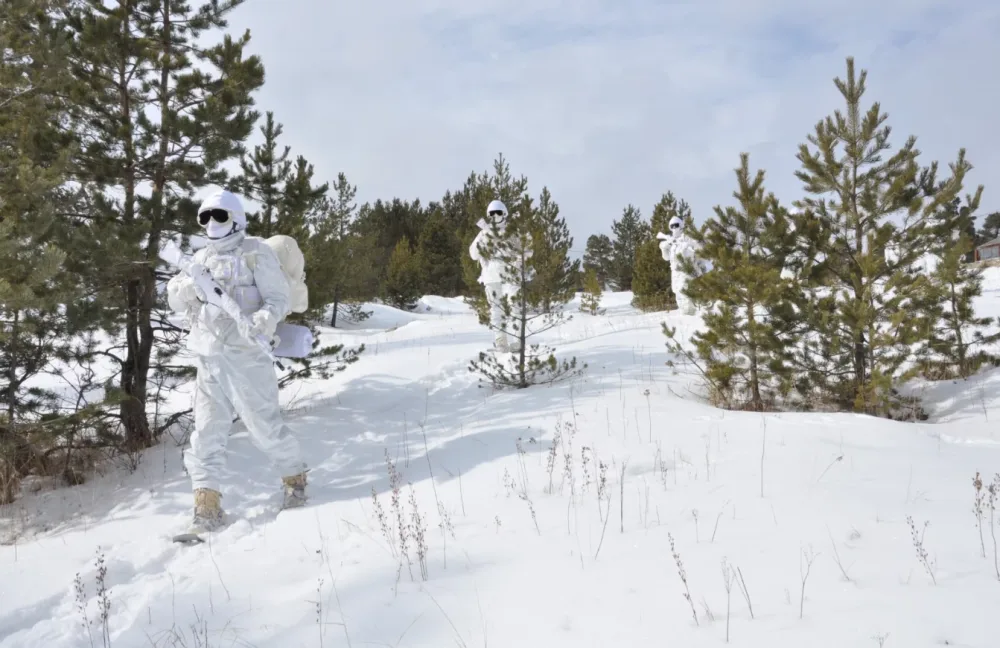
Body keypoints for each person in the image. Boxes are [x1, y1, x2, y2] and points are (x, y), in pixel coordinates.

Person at [166, 189, 308, 534]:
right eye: (206, 217)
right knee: (207, 431)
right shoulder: (199, 260)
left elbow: (278, 298)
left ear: (237, 218)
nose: (212, 223)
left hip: (247, 357)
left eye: (220, 216)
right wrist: (186, 291)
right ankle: (206, 502)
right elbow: (174, 300)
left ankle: (295, 481)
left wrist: (262, 321)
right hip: (209, 356)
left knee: (264, 426)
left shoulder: (256, 254)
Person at [469, 199, 527, 352]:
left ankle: (518, 342)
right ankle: (500, 342)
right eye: (492, 213)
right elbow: (473, 254)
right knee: (496, 310)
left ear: (504, 213)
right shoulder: (484, 232)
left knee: (515, 307)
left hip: (510, 275)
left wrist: (519, 261)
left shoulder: (512, 231)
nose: (495, 216)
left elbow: (527, 249)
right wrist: (484, 237)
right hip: (491, 275)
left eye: (498, 212)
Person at [659, 215, 699, 315]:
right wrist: (664, 247)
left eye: (676, 225)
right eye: (671, 226)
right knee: (678, 294)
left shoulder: (687, 238)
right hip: (675, 273)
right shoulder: (672, 241)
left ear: (681, 226)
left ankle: (690, 315)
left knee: (686, 294)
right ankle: (683, 314)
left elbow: (697, 249)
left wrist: (686, 245)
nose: (674, 228)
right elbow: (667, 258)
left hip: (685, 271)